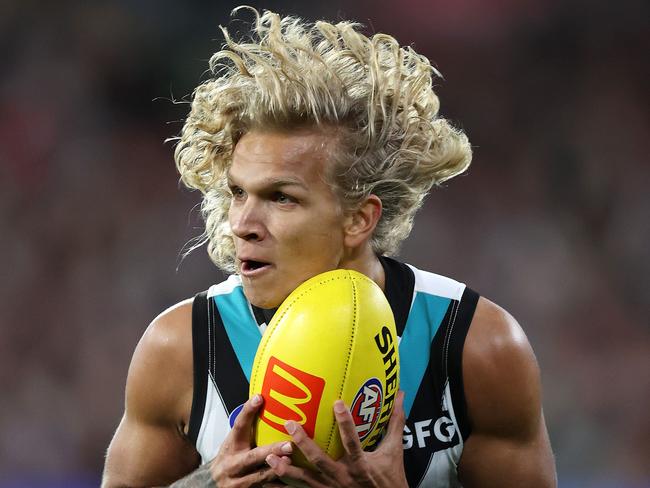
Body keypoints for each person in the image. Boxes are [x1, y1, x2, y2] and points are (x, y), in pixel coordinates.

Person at [102, 7, 556, 488]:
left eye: (281, 197)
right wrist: (207, 484)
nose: (242, 223)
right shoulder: (180, 347)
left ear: (359, 218)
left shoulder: (477, 345)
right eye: (238, 192)